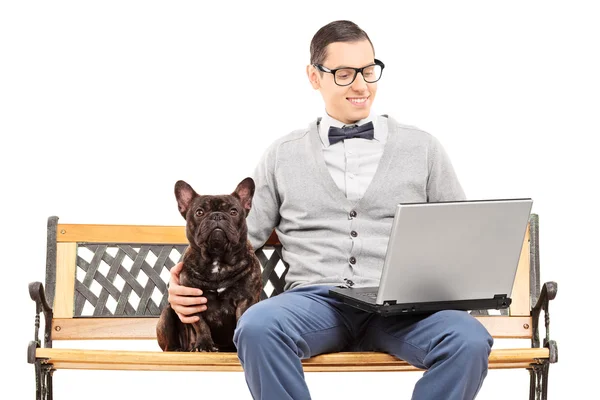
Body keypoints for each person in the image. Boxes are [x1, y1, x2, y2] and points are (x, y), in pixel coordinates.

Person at [168, 20, 493, 400]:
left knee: (469, 339)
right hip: (313, 304)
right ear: (314, 76)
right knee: (257, 327)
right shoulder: (282, 155)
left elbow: (461, 233)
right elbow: (240, 236)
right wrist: (179, 284)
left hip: (403, 310)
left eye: (369, 70)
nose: (361, 85)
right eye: (344, 73)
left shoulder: (423, 149)